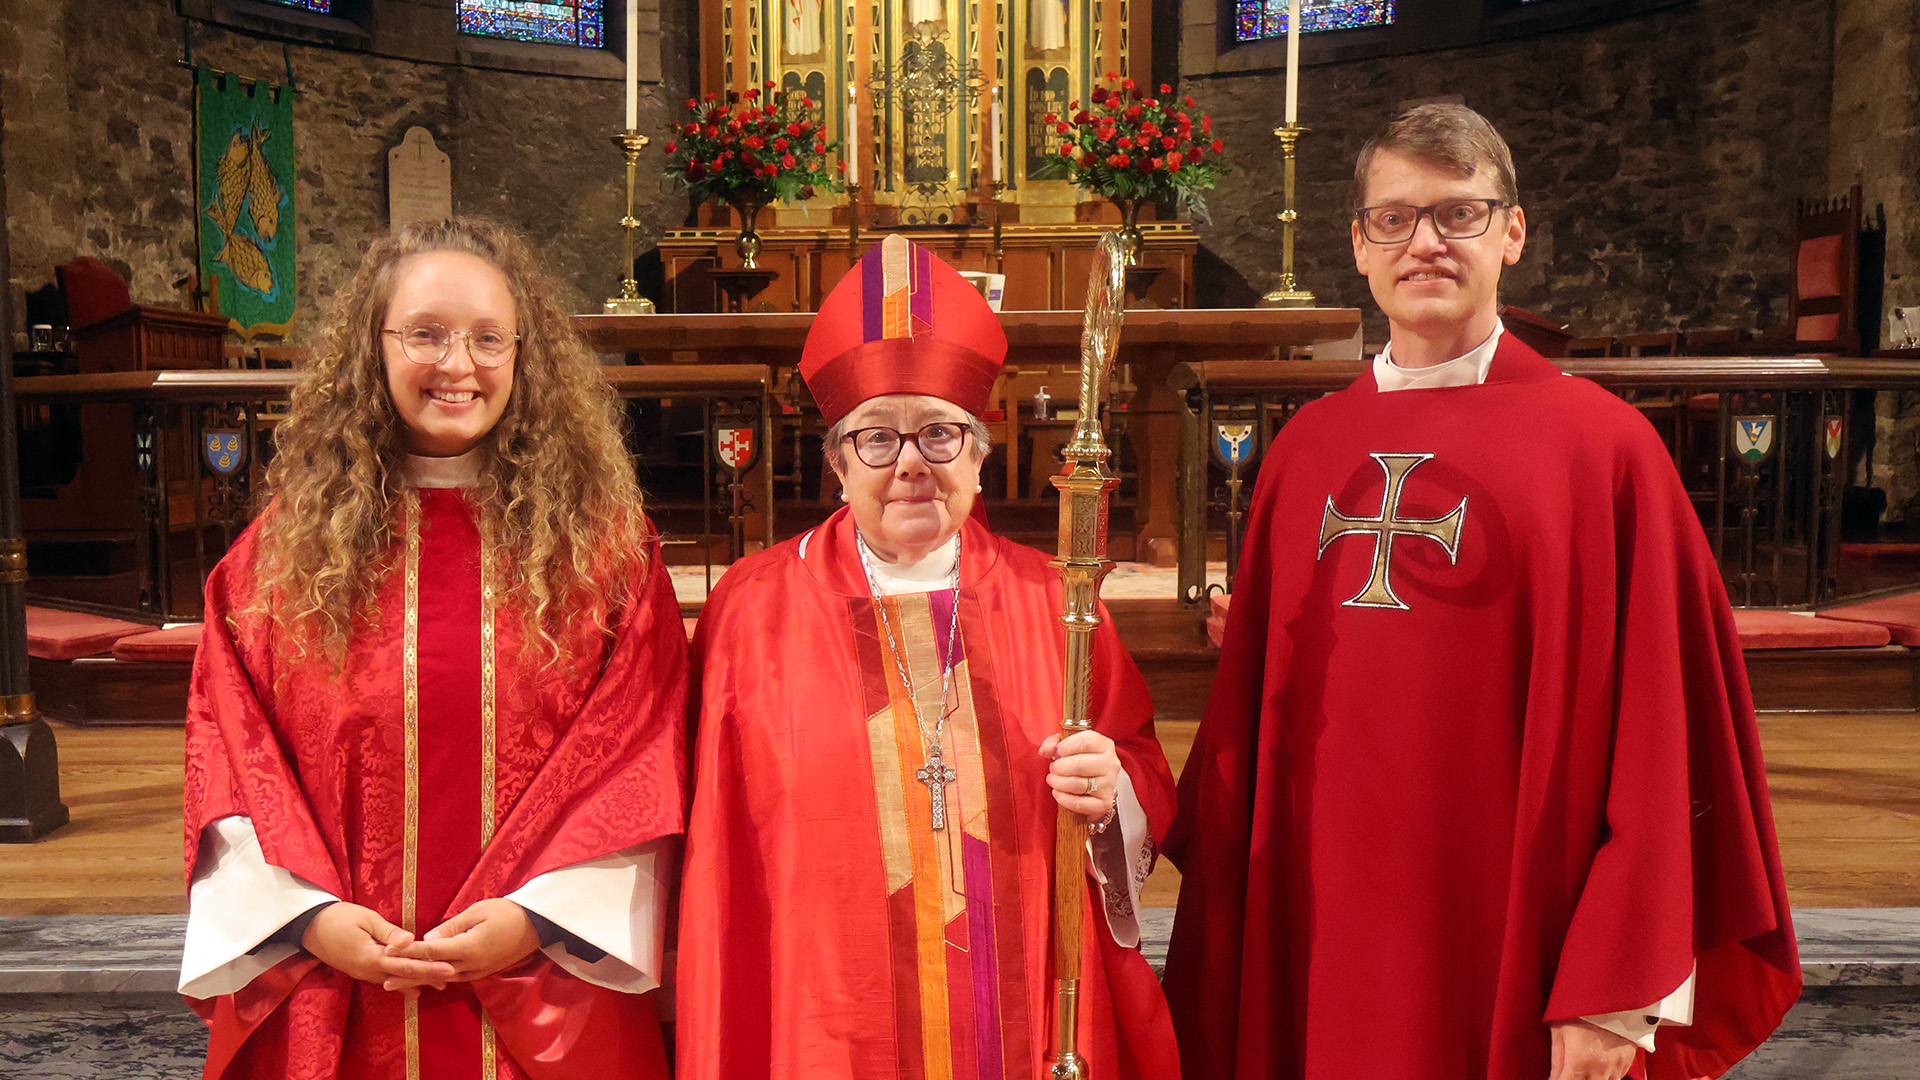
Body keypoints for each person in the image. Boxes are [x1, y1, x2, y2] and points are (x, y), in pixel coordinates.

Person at [1162, 104, 1800, 1080]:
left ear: (1512, 233)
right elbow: (1250, 728)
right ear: (1360, 245)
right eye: (1396, 218)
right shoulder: (1304, 455)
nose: (1425, 242)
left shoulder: (1602, 450)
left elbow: (1668, 735)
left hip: (1518, 941)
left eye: (1459, 214)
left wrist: (1616, 984)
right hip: (1321, 938)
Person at [179, 218, 685, 1080]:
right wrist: (309, 919)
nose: (459, 365)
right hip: (335, 984)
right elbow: (232, 760)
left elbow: (643, 755)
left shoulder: (606, 556)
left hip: (546, 978)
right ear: (370, 351)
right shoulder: (277, 560)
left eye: (489, 338)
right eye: (425, 333)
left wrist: (539, 918)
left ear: (527, 355)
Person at [677, 234, 1180, 1080]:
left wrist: (1112, 796)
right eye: (877, 438)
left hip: (1021, 1012)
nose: (910, 465)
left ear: (980, 456)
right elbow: (717, 849)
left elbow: (1138, 771)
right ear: (836, 461)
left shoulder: (1057, 602)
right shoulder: (751, 609)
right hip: (826, 1014)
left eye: (941, 435)